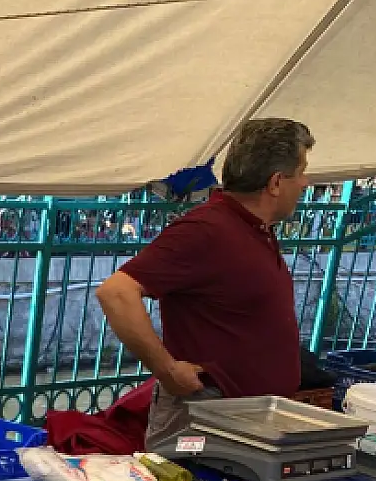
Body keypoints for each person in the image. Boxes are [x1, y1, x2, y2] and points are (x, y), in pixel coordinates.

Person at [95, 117, 313, 446]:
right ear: (276, 182)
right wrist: (167, 370)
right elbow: (116, 293)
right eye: (301, 172)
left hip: (245, 416)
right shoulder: (207, 229)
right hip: (207, 418)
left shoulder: (253, 229)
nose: (306, 183)